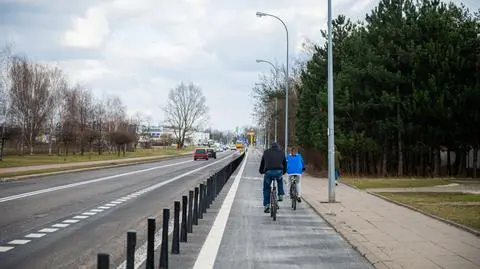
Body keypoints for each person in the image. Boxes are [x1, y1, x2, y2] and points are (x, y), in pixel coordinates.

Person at [258, 142, 286, 213]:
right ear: (278, 147)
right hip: (279, 172)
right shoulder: (282, 152)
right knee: (280, 180)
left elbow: (262, 163)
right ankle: (280, 195)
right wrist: (283, 172)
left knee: (266, 188)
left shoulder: (266, 152)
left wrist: (261, 171)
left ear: (270, 146)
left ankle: (266, 205)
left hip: (268, 172)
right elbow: (285, 163)